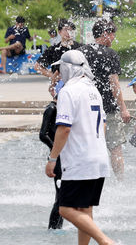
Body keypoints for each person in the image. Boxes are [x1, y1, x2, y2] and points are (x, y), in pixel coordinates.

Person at [44, 50, 113, 245]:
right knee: (85, 209)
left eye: (61, 68)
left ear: (68, 68)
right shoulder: (93, 90)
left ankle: (105, 241)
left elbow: (64, 128)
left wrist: (52, 159)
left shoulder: (68, 90)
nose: (59, 73)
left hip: (79, 160)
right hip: (98, 157)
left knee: (65, 209)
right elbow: (103, 125)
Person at [78, 19, 131, 180]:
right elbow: (114, 83)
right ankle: (120, 182)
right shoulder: (111, 54)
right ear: (105, 34)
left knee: (86, 146)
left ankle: (87, 180)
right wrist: (123, 108)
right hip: (108, 108)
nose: (114, 38)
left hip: (86, 107)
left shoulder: (81, 52)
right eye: (113, 34)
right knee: (115, 147)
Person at [39, 82, 64, 230]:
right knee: (60, 196)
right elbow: (42, 135)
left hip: (61, 156)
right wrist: (55, 148)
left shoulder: (59, 109)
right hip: (57, 157)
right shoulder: (51, 109)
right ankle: (53, 229)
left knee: (61, 196)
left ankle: (57, 228)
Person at [35, 19, 82, 88]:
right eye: (66, 30)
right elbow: (37, 66)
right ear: (59, 32)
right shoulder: (53, 49)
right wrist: (52, 75)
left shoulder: (81, 48)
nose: (68, 32)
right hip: (60, 86)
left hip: (78, 85)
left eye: (71, 30)